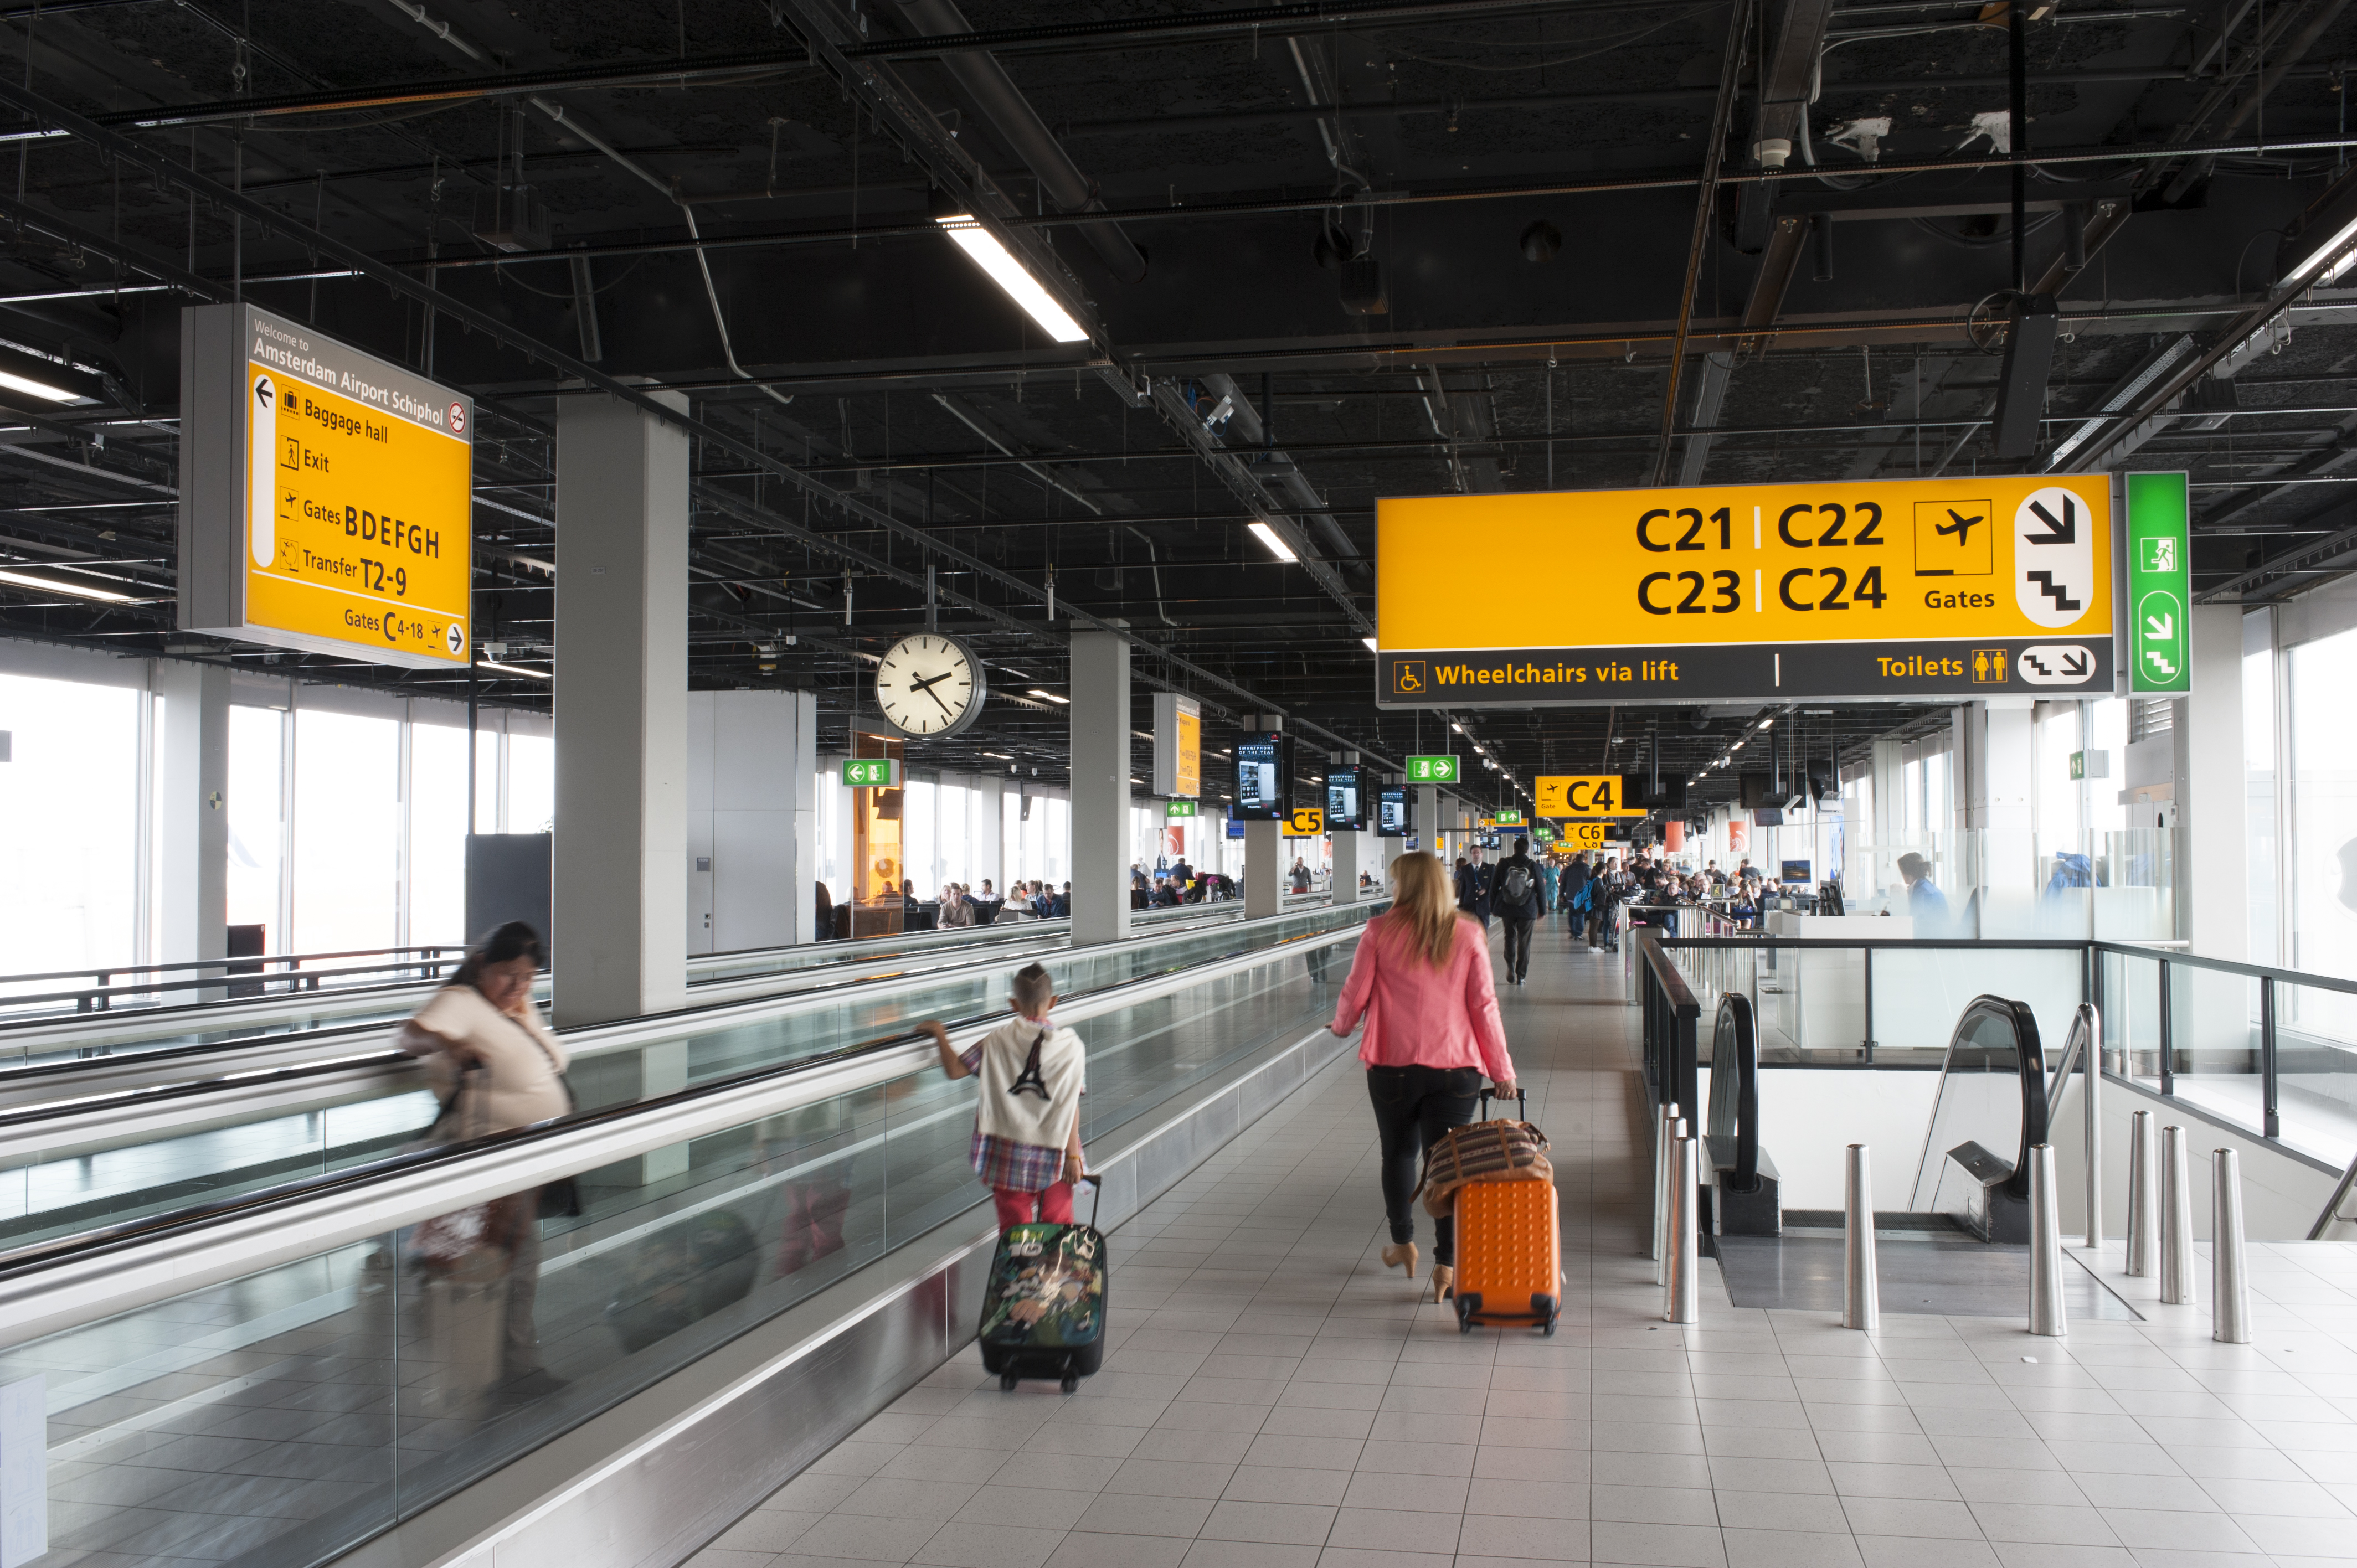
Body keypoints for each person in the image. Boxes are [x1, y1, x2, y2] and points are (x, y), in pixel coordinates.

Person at [1328, 852, 1517, 1303]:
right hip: (1456, 1070)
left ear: (1407, 886)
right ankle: (1447, 1265)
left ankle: (1403, 1243)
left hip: (1393, 1065)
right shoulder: (1469, 932)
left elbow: (1357, 991)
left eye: (1395, 883)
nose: (1392, 890)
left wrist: (1341, 1025)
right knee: (1449, 1165)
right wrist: (1501, 1070)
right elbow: (1484, 1006)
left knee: (1398, 1154)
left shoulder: (1378, 931)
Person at [395, 921, 571, 1401]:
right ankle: (494, 1372)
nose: (517, 986)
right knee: (497, 1267)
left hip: (524, 1161)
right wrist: (451, 1046)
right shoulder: (462, 1001)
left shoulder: (518, 1007)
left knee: (516, 1267)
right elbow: (410, 1037)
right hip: (488, 1158)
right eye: (507, 974)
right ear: (481, 964)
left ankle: (509, 1367)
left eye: (528, 977)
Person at [921, 962, 1086, 1231]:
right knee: (1058, 1230)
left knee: (1014, 1232)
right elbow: (1071, 1106)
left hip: (1006, 1155)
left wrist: (940, 1033)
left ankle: (1017, 1272)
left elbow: (954, 1071)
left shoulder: (997, 1040)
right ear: (1054, 1002)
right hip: (1055, 1156)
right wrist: (1072, 1158)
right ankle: (1055, 1274)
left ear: (1013, 1003)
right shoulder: (1070, 1047)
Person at [1491, 838, 1543, 986]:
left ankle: (1509, 963)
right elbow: (1540, 888)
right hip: (1527, 909)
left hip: (1507, 907)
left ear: (1514, 849)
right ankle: (1521, 976)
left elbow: (1494, 886)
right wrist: (1543, 910)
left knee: (1510, 937)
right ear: (1527, 850)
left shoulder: (1504, 863)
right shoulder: (1532, 865)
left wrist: (1493, 908)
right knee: (1524, 941)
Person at [1898, 853, 1951, 931]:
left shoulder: (1923, 891)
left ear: (1906, 873)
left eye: (1901, 872)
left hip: (1934, 935)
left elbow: (1916, 919)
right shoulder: (1925, 886)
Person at [1455, 844, 1494, 930]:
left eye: (1478, 853)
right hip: (1469, 906)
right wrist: (1461, 906)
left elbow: (1493, 886)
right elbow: (1463, 888)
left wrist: (1486, 890)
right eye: (1474, 853)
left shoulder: (1489, 868)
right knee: (1469, 931)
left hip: (1484, 906)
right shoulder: (1466, 869)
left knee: (1483, 931)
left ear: (1482, 854)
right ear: (1471, 855)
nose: (1476, 855)